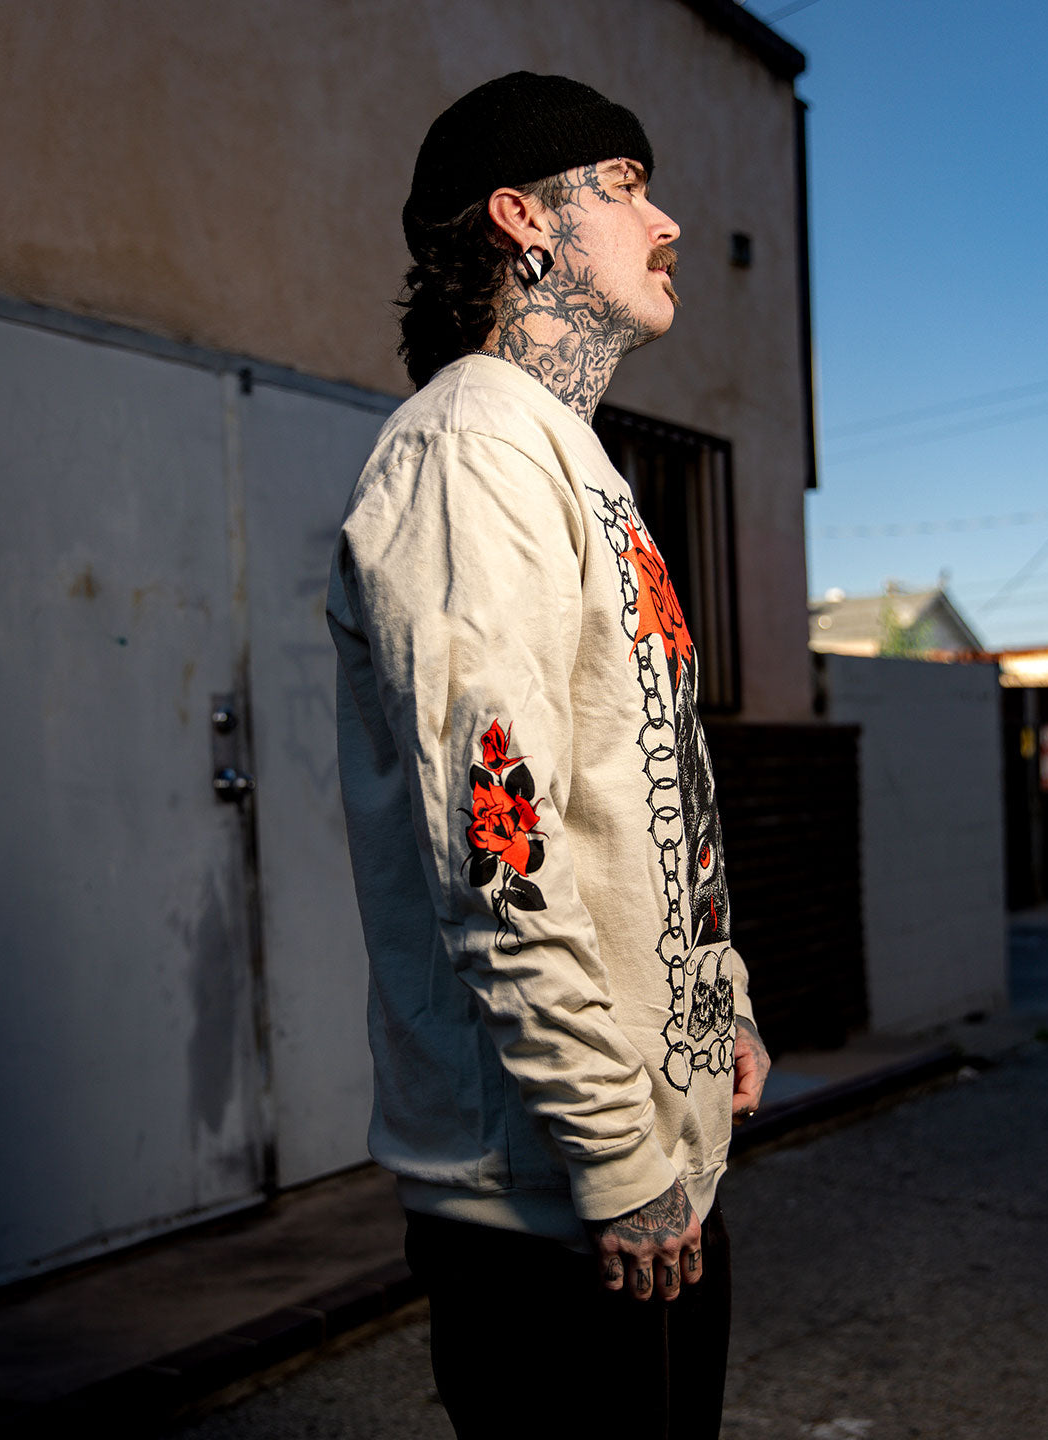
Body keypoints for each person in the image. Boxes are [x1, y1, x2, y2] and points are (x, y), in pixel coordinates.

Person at [327, 71, 770, 1439]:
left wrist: (718, 999)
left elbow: (633, 785)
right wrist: (619, 1149)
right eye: (628, 190)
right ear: (525, 219)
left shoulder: (572, 459)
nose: (672, 222)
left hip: (650, 1158)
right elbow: (499, 850)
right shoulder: (470, 450)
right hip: (560, 1193)